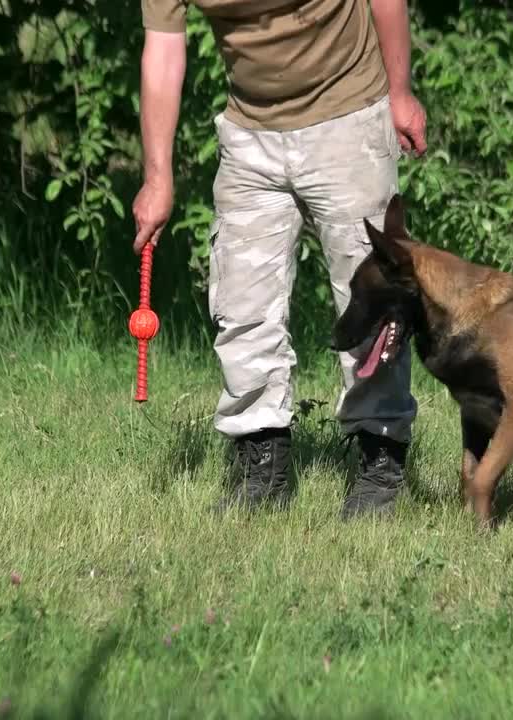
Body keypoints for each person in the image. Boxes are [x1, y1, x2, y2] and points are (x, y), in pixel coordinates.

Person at [134, 0, 428, 519]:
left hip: (348, 117)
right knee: (242, 301)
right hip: (248, 133)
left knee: (371, 299)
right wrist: (157, 176)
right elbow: (162, 50)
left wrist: (399, 92)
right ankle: (261, 462)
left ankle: (381, 460)